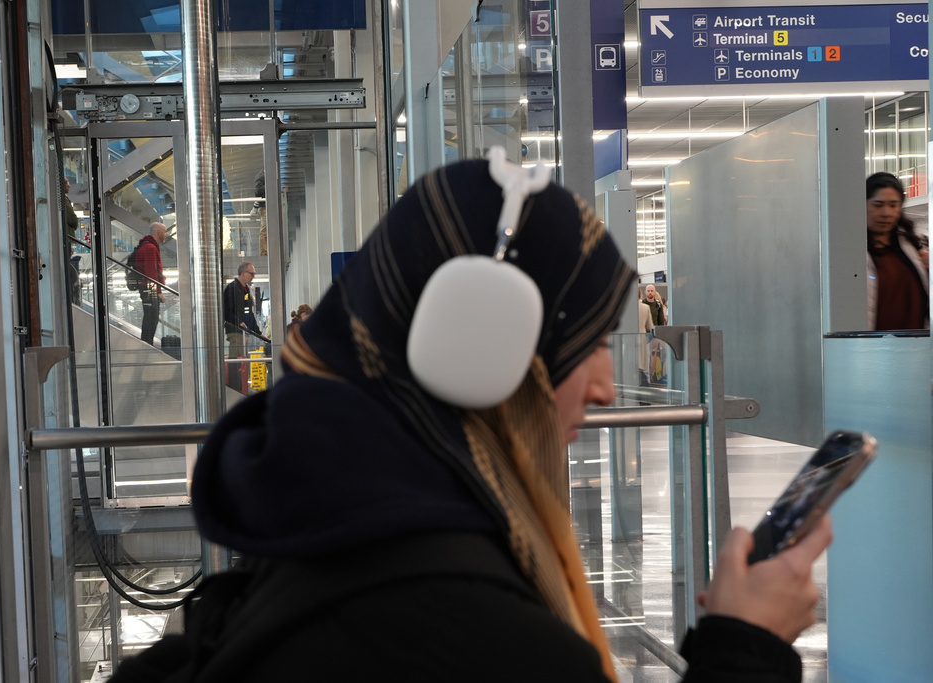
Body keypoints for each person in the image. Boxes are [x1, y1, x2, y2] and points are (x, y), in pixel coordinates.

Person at [111, 158, 830, 682]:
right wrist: (747, 648)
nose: (609, 386)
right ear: (480, 349)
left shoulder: (320, 537)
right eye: (584, 347)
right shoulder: (472, 637)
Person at [865, 172, 929, 330]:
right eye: (878, 205)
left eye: (893, 205)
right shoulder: (850, 251)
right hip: (872, 348)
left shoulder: (915, 247)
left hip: (918, 346)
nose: (886, 213)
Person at [223, 263, 262, 390]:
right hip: (235, 332)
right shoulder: (232, 288)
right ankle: (235, 387)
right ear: (243, 273)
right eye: (252, 274)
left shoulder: (245, 290)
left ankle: (241, 387)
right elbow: (227, 311)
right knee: (237, 360)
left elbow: (248, 313)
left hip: (242, 332)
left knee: (242, 361)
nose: (253, 277)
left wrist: (258, 332)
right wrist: (238, 322)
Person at [135, 222, 167, 344]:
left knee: (151, 317)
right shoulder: (150, 248)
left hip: (147, 288)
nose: (166, 235)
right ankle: (147, 344)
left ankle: (147, 343)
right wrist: (158, 292)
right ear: (159, 233)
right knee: (151, 318)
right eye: (164, 232)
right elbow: (151, 273)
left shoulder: (148, 246)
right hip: (149, 289)